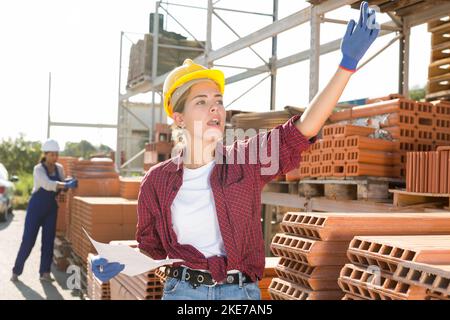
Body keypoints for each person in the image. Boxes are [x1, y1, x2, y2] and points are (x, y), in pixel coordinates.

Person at [90, 2, 379, 300]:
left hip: (240, 294)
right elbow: (151, 246)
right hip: (183, 293)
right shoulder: (156, 182)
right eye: (201, 102)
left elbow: (302, 129)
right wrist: (121, 257)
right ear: (179, 118)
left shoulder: (246, 162)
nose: (215, 107)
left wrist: (346, 66)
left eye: (218, 99)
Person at [11, 139, 78, 282]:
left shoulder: (59, 168)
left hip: (51, 209)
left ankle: (45, 273)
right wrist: (64, 184)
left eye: (56, 154)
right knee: (28, 241)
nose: (54, 157)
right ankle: (16, 271)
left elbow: (61, 187)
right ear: (45, 154)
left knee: (48, 242)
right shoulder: (38, 169)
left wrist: (69, 183)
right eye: (52, 154)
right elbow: (48, 184)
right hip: (36, 208)